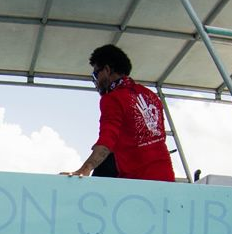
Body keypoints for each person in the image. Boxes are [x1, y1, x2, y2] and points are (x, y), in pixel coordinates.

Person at [61, 45, 174, 182]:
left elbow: (107, 141)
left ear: (107, 70)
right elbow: (158, 136)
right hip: (166, 178)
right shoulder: (151, 95)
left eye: (95, 75)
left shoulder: (112, 98)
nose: (96, 81)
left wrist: (85, 169)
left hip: (138, 181)